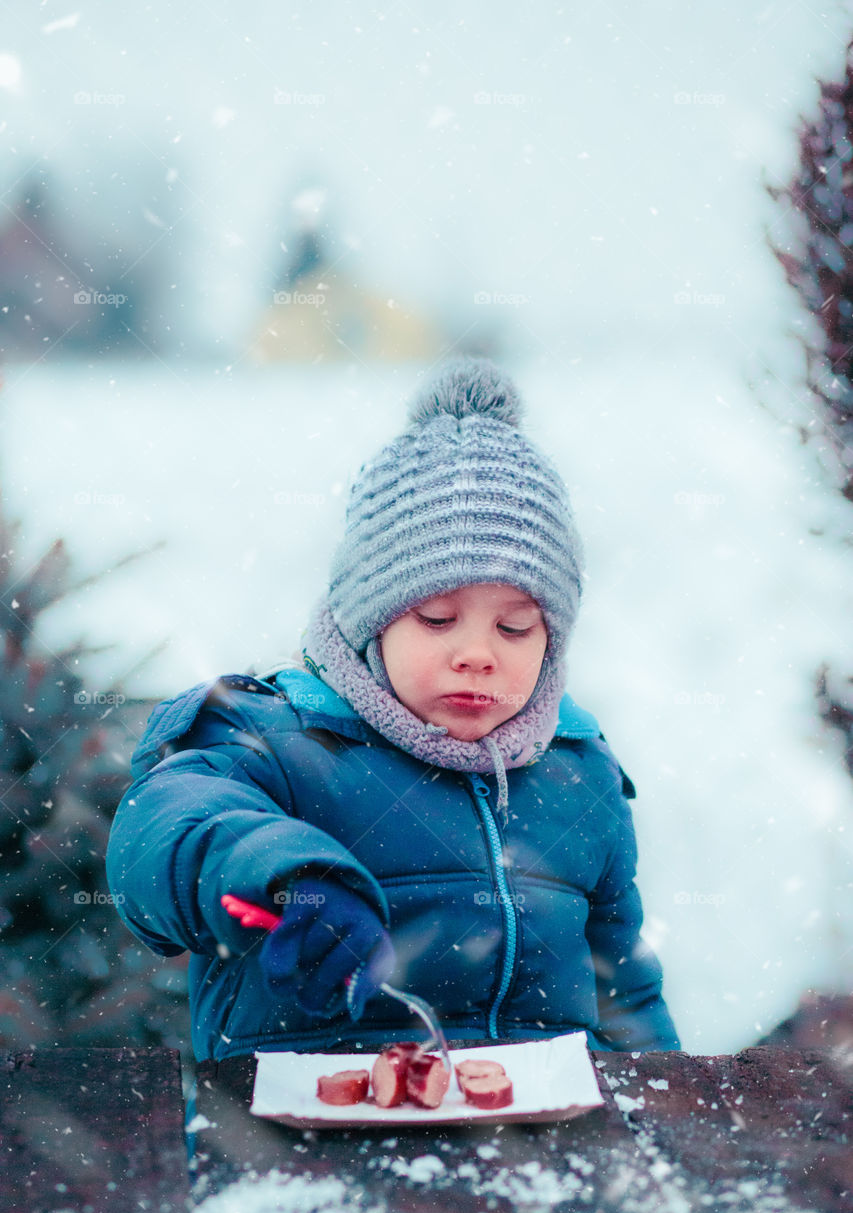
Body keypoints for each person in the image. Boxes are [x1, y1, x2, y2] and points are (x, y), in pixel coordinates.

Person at [105, 357, 680, 1070]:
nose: (477, 654)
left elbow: (624, 993)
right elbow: (157, 836)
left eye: (514, 628)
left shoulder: (576, 772)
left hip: (537, 1148)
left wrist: (665, 1110)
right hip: (295, 1142)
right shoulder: (274, 737)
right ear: (367, 622)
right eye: (437, 618)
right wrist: (288, 874)